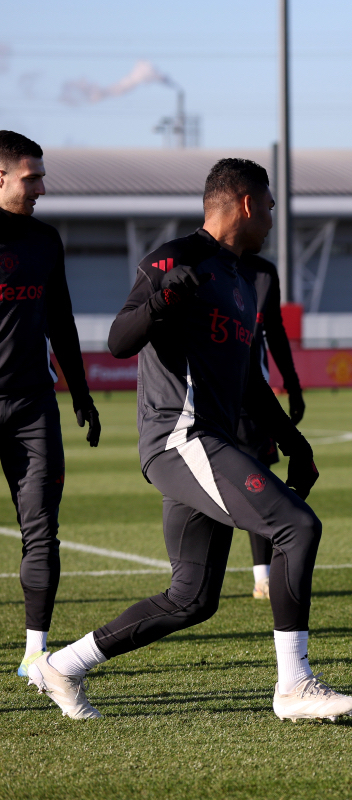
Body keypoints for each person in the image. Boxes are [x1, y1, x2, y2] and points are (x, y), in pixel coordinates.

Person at [26, 158, 352, 721]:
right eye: (271, 205)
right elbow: (116, 340)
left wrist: (292, 439)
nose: (274, 217)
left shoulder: (237, 278)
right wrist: (161, 301)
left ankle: (61, 666)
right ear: (247, 204)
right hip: (179, 437)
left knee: (192, 598)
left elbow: (248, 381)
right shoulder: (176, 256)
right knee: (297, 526)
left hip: (205, 442)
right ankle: (294, 685)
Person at [0, 131, 101, 678]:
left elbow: (59, 319)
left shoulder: (45, 240)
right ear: (0, 178)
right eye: (31, 176)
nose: (42, 186)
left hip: (32, 406)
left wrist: (81, 393)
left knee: (41, 530)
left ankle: (35, 653)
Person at [236, 253, 305, 600]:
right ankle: (192, 579)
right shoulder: (201, 263)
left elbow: (275, 331)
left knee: (257, 483)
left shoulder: (264, 273)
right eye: (265, 208)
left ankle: (262, 577)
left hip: (254, 402)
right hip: (208, 399)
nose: (269, 221)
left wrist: (291, 384)